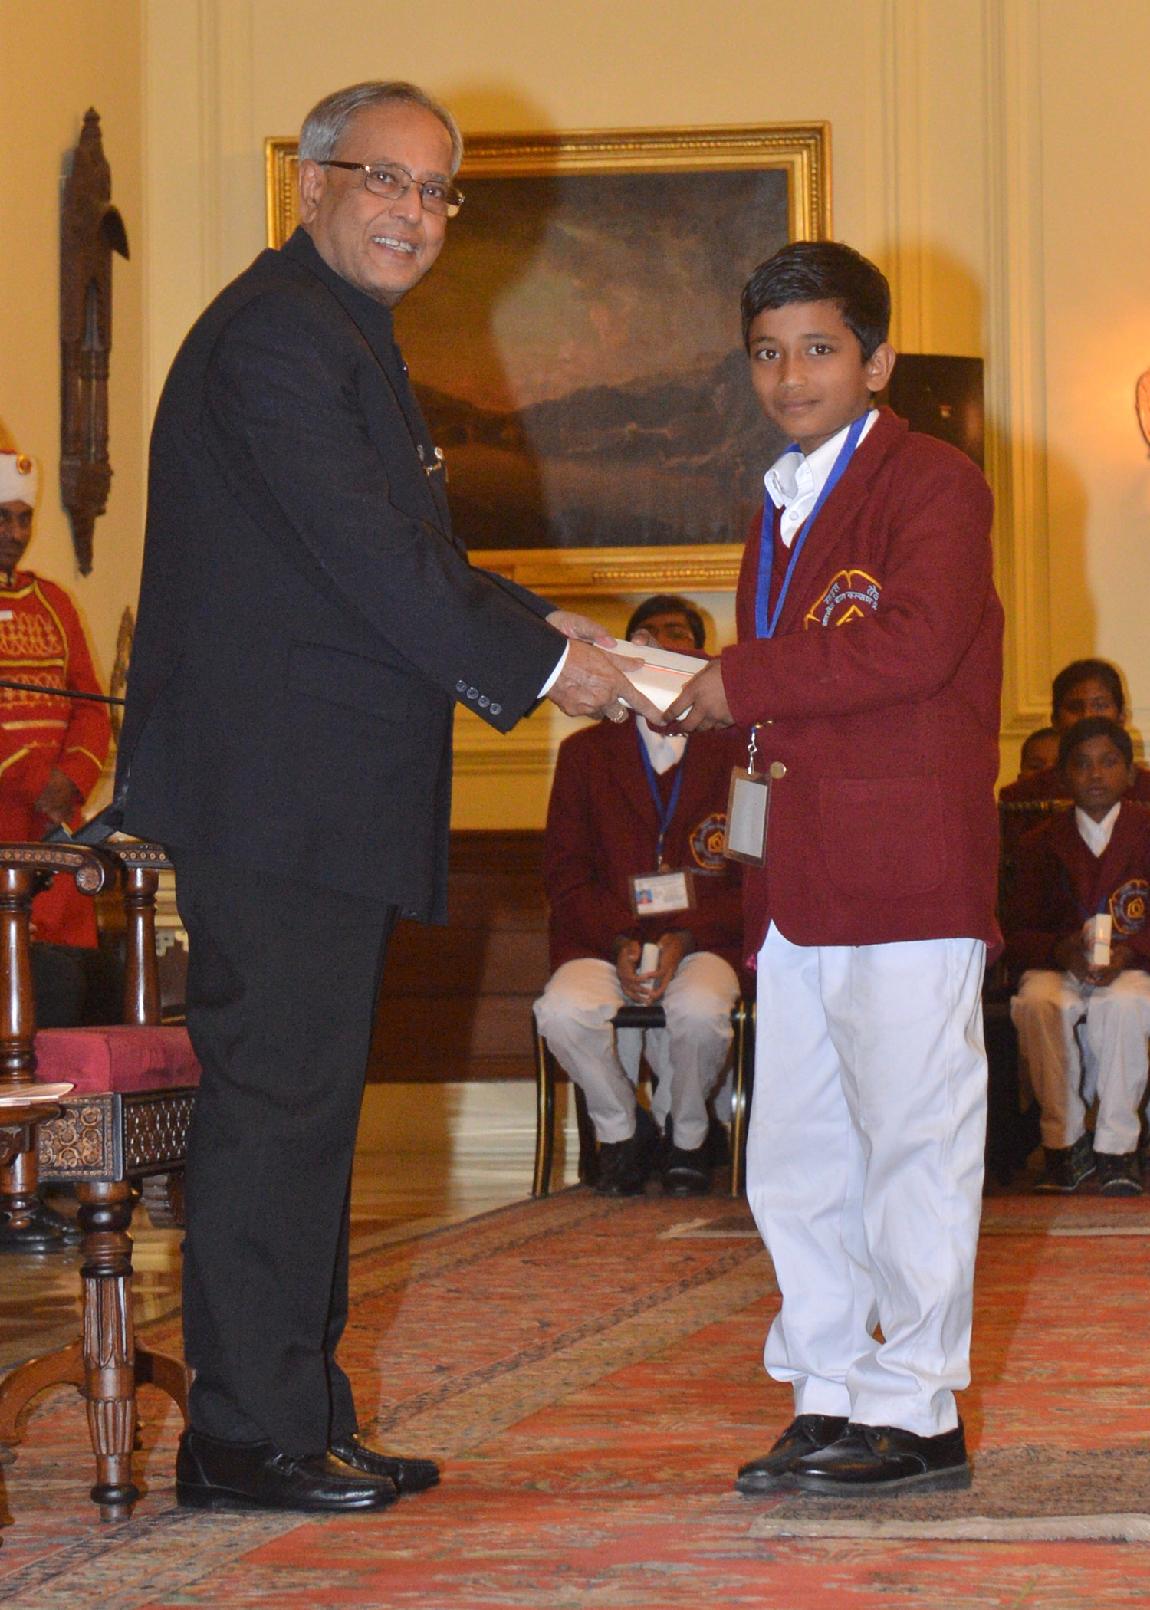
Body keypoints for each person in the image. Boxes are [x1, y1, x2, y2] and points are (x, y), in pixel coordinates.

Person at [114, 80, 660, 1516]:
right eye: (385, 180)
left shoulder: (333, 330)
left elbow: (392, 550)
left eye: (436, 190)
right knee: (279, 1108)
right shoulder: (279, 335)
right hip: (275, 792)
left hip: (312, 792)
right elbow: (365, 550)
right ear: (311, 184)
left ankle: (296, 1411)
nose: (414, 212)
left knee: (305, 1111)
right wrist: (545, 667)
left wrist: (547, 629)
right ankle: (248, 1435)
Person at [665, 241, 1002, 1495]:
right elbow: (780, 692)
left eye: (818, 348)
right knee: (797, 1149)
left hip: (904, 867)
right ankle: (825, 1390)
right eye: (767, 352)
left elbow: (914, 646)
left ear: (878, 359)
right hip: (796, 876)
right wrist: (689, 694)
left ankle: (915, 1408)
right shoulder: (777, 499)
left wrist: (734, 680)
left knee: (914, 1137)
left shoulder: (934, 480)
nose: (790, 375)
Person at [534, 594, 744, 1197]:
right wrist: (621, 938)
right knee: (562, 1011)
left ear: (702, 659)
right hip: (604, 939)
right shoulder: (583, 754)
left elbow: (755, 881)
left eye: (677, 638)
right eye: (646, 640)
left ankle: (689, 1137)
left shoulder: (738, 752)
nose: (661, 651)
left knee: (701, 1011)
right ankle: (622, 1132)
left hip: (704, 939)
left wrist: (686, 935)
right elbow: (565, 876)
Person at [0, 450, 114, 1251]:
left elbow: (91, 708)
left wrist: (71, 778)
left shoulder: (55, 602)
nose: (15, 532)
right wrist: (30, 778)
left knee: (58, 1015)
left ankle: (44, 1179)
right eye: (2, 518)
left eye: (23, 519)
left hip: (54, 853)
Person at [1007, 718, 1150, 1197]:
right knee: (1041, 1003)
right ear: (1063, 777)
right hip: (1059, 966)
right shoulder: (1039, 842)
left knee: (1124, 1003)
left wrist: (1130, 952)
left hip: (1133, 966)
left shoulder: (1146, 832)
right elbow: (1015, 929)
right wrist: (1059, 949)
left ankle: (1117, 1147)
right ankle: (1063, 1143)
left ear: (1130, 774)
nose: (1095, 774)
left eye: (1109, 762)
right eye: (1082, 764)